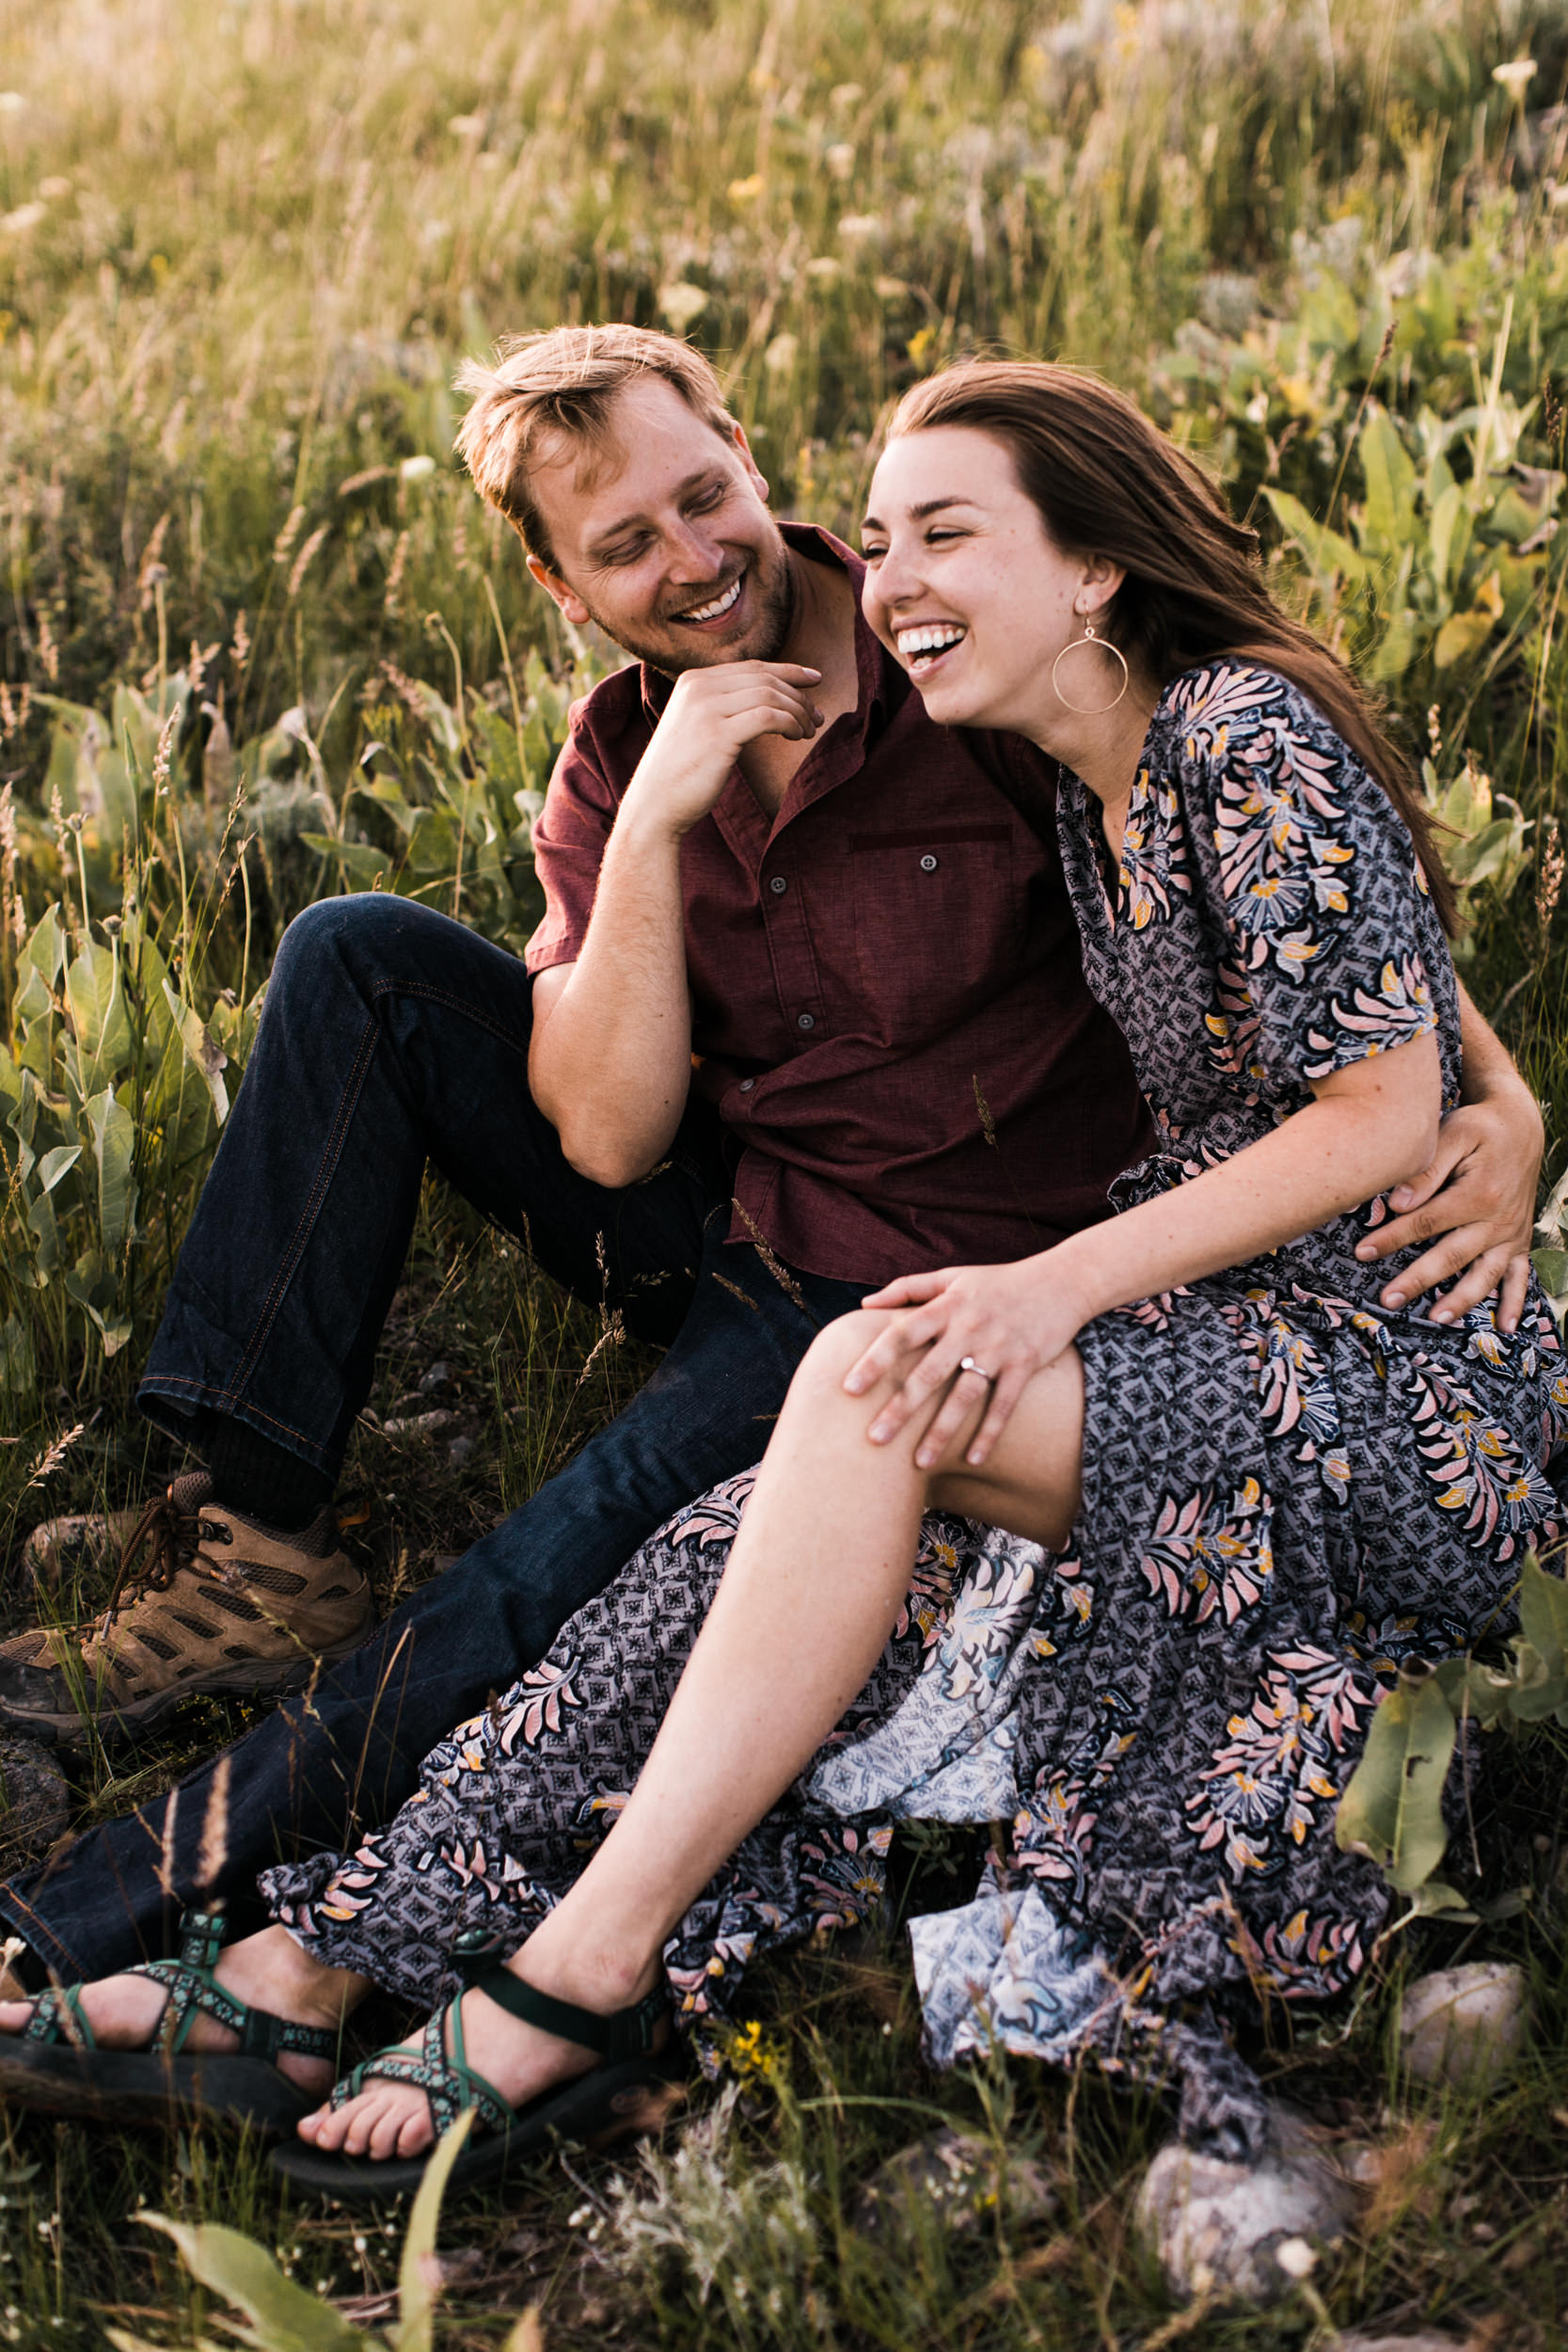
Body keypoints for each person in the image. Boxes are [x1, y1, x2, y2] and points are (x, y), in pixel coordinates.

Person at [2, 358, 1560, 2199]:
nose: (711, 556)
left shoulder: (1072, 694)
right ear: (560, 586)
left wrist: (1494, 1109)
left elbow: (1373, 1030)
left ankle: (359, 1959)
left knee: (653, 1532)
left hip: (1155, 1319)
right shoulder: (846, 747)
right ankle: (286, 1795)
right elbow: (602, 1136)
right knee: (657, 1569)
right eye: (623, 544)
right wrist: (661, 813)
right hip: (884, 1269)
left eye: (703, 496)